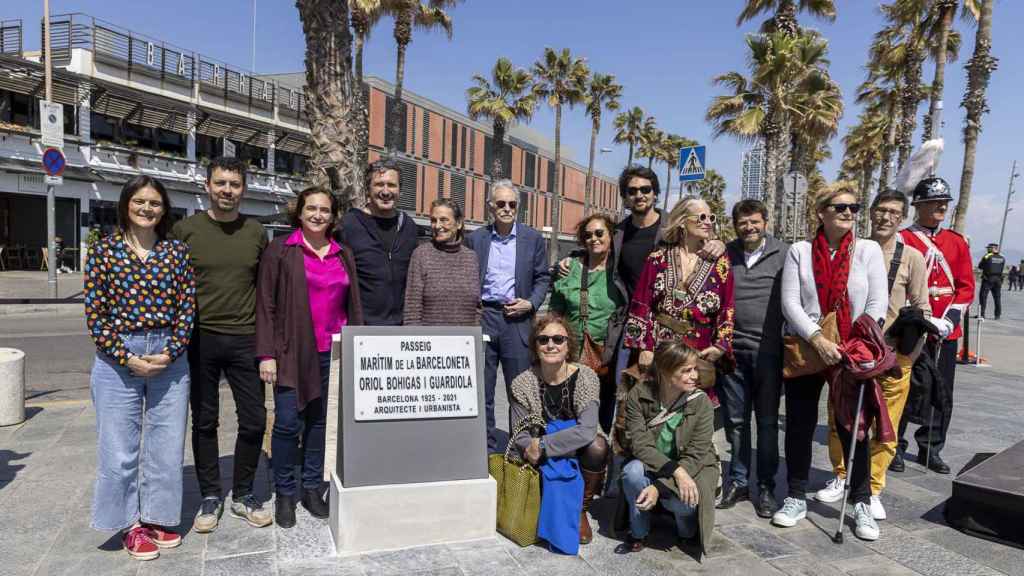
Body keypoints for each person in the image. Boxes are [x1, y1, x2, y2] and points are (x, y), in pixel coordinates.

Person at [85, 175, 195, 560]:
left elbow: (187, 307)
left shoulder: (176, 252)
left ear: (164, 209)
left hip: (169, 356)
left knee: (166, 446)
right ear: (126, 205)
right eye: (140, 202)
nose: (147, 209)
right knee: (119, 448)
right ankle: (129, 524)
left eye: (155, 203)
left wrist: (171, 351)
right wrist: (125, 356)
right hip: (119, 359)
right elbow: (95, 313)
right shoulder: (104, 251)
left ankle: (157, 517)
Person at [772, 183, 888, 541]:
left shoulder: (867, 250)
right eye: (840, 207)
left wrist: (858, 342)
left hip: (852, 349)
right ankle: (795, 494)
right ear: (821, 211)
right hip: (809, 348)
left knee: (855, 426)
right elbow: (790, 302)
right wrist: (818, 340)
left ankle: (861, 501)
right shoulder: (800, 251)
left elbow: (877, 303)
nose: (849, 214)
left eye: (854, 208)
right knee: (800, 424)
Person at [816, 189, 931, 521]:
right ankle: (842, 475)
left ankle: (873, 487)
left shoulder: (912, 257)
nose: (886, 217)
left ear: (902, 218)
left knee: (885, 424)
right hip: (851, 353)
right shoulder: (854, 250)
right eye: (881, 210)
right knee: (840, 418)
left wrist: (909, 353)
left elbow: (921, 307)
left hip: (892, 355)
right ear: (870, 213)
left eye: (895, 213)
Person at [171, 157, 271, 532]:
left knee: (255, 419)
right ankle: (211, 495)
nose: (227, 190)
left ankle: (243, 493)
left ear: (244, 189)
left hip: (246, 337)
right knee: (205, 421)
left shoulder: (256, 232)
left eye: (234, 184)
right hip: (200, 338)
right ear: (207, 186)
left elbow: (265, 289)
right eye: (220, 183)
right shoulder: (186, 230)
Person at [256, 187, 364, 528]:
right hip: (291, 352)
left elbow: (353, 303)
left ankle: (311, 487)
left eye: (325, 210)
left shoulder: (342, 253)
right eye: (311, 208)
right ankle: (285, 493)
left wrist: (356, 347)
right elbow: (265, 306)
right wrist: (266, 355)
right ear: (299, 213)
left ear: (333, 216)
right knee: (288, 423)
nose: (318, 215)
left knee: (320, 424)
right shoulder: (281, 251)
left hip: (332, 354)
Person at [896, 176, 975, 474]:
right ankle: (895, 447)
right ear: (918, 206)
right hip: (914, 326)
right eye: (933, 202)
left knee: (941, 391)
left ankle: (931, 448)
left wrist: (950, 319)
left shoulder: (956, 242)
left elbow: (966, 287)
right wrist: (922, 319)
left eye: (944, 202)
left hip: (946, 329)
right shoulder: (904, 239)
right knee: (905, 387)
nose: (941, 206)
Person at [623, 196, 735, 405]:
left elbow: (727, 307)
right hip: (660, 351)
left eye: (711, 217)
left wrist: (721, 345)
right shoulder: (658, 258)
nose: (708, 222)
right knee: (654, 413)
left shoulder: (720, 262)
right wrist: (644, 346)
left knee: (692, 419)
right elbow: (641, 303)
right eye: (701, 217)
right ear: (683, 220)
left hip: (698, 351)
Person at [508, 315, 608, 549]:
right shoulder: (522, 383)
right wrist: (534, 446)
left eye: (558, 339)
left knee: (598, 445)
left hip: (571, 446)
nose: (550, 345)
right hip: (538, 452)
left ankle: (580, 510)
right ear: (535, 346)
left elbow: (586, 430)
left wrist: (543, 444)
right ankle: (545, 505)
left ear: (568, 345)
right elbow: (520, 433)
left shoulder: (585, 377)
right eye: (543, 340)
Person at [466, 179, 551, 452]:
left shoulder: (532, 238)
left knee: (520, 389)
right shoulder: (476, 238)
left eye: (511, 204)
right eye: (500, 203)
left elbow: (542, 278)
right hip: (485, 317)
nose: (506, 208)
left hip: (518, 321)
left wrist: (531, 303)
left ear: (518, 207)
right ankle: (487, 448)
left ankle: (521, 448)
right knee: (483, 387)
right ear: (490, 207)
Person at [715, 199, 788, 518]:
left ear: (765, 221)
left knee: (769, 424)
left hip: (770, 354)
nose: (749, 227)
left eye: (755, 221)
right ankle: (739, 480)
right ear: (735, 225)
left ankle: (767, 485)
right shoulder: (724, 254)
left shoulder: (785, 254)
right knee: (735, 421)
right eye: (743, 222)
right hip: (731, 355)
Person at [614, 341, 718, 557]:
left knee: (685, 499)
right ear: (664, 371)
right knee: (631, 473)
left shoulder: (702, 403)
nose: (694, 376)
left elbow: (696, 454)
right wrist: (674, 471)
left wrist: (660, 487)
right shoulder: (639, 395)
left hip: (691, 467)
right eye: (686, 371)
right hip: (657, 464)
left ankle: (687, 530)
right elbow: (640, 445)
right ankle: (639, 531)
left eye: (695, 369)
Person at [549, 213, 628, 433]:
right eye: (588, 235)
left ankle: (596, 461)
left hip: (606, 357)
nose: (594, 238)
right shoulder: (570, 267)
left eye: (599, 233)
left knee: (601, 414)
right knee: (570, 412)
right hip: (571, 355)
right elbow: (555, 310)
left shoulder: (619, 272)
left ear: (611, 236)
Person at [338, 158, 419, 326]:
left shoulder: (409, 227)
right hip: (361, 327)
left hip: (402, 327)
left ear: (400, 190)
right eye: (379, 184)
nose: (385, 191)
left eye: (391, 185)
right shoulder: (348, 225)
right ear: (368, 189)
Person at [403, 198, 480, 326]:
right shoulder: (421, 255)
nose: (437, 226)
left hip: (464, 341)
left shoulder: (471, 258)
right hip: (432, 341)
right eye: (433, 220)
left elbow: (477, 306)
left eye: (444, 220)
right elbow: (412, 309)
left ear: (459, 223)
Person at [977, 243, 1005, 319]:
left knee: (983, 296)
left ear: (992, 248)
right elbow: (1002, 268)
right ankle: (997, 315)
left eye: (988, 248)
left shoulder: (987, 256)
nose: (987, 249)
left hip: (988, 279)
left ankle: (981, 314)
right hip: (998, 279)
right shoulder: (1002, 257)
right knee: (997, 297)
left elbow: (980, 266)